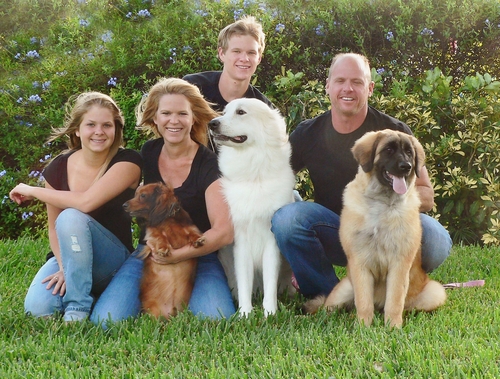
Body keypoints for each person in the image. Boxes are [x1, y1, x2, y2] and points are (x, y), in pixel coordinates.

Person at [271, 53, 453, 298]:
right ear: (328, 86)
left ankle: (386, 288)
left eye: (357, 82)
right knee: (288, 219)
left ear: (370, 88)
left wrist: (383, 207)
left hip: (388, 229)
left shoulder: (396, 132)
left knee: (435, 240)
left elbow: (427, 195)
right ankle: (327, 293)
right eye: (340, 81)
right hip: (336, 230)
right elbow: (274, 180)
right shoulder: (307, 133)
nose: (348, 88)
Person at [91, 78, 236, 327]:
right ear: (155, 119)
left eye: (182, 113)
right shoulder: (147, 153)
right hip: (149, 253)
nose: (174, 120)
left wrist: (178, 255)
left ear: (193, 118)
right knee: (106, 321)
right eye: (166, 113)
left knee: (218, 320)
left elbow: (224, 232)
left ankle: (186, 293)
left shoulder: (209, 163)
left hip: (199, 255)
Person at [9, 92, 142, 322]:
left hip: (111, 263)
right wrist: (64, 268)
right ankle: (80, 287)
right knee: (39, 309)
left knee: (72, 216)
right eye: (91, 124)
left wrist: (33, 190)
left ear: (116, 130)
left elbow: (86, 202)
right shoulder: (58, 168)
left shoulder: (127, 162)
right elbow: (53, 229)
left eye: (107, 125)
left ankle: (77, 309)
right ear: (77, 130)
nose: (99, 132)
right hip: (69, 257)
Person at [183, 15, 273, 151]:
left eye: (251, 53)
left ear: (259, 58)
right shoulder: (193, 87)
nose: (244, 58)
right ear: (222, 54)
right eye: (237, 51)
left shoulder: (263, 109)